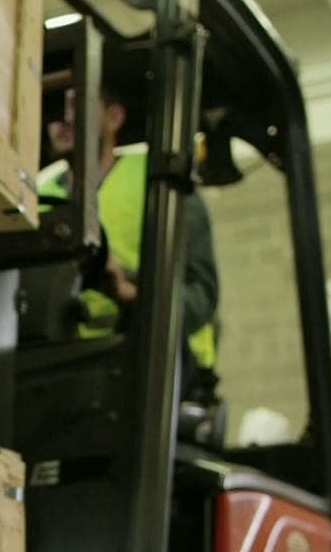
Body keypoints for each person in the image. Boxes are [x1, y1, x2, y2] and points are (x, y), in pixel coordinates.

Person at [36, 86, 219, 390]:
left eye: (77, 105)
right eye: (57, 107)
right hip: (57, 366)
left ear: (114, 116)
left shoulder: (162, 180)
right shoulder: (36, 192)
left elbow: (200, 297)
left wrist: (129, 293)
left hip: (156, 371)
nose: (64, 119)